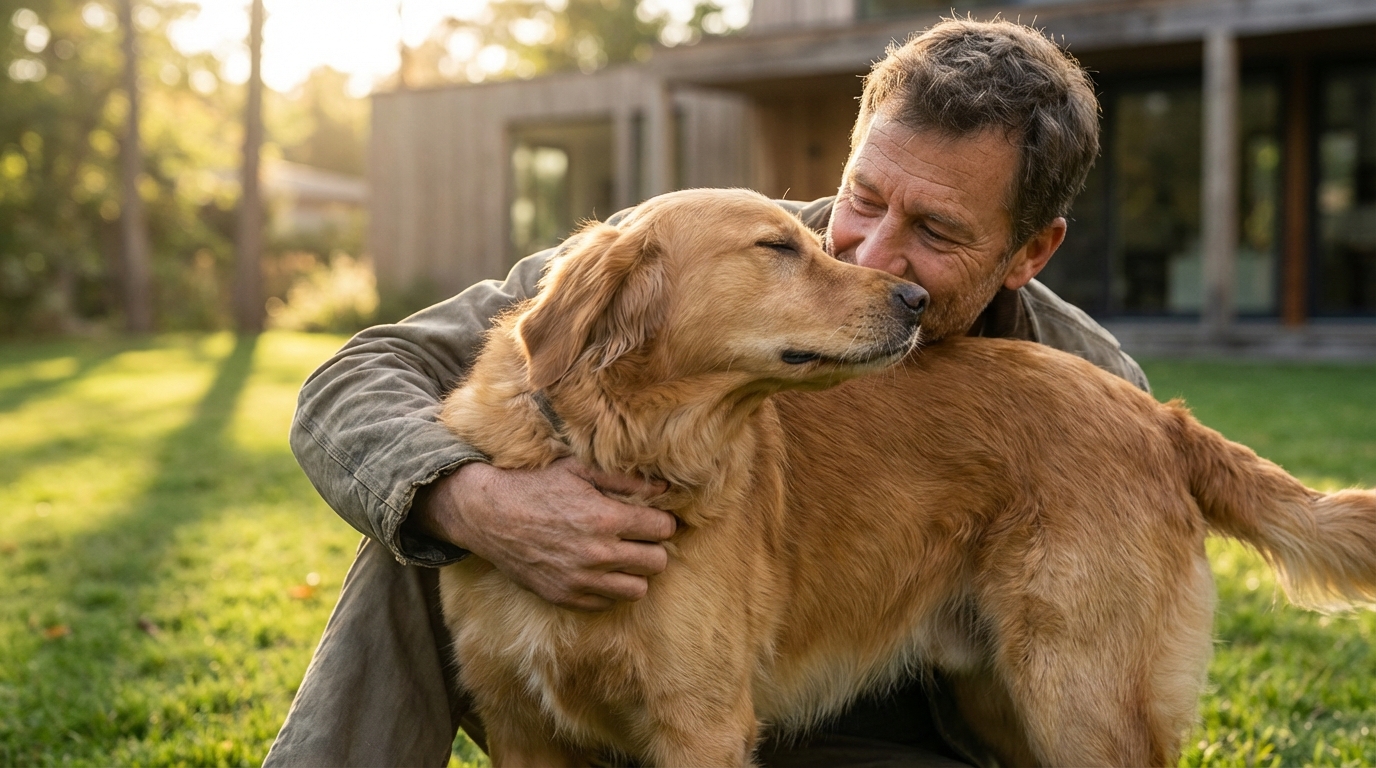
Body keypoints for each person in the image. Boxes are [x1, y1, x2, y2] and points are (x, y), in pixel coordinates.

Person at [263, 17, 1148, 768]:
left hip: (883, 729)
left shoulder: (1089, 391)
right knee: (421, 493)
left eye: (938, 230)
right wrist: (475, 501)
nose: (872, 259)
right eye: (863, 197)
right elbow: (353, 378)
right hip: (619, 710)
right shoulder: (682, 256)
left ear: (1030, 253)